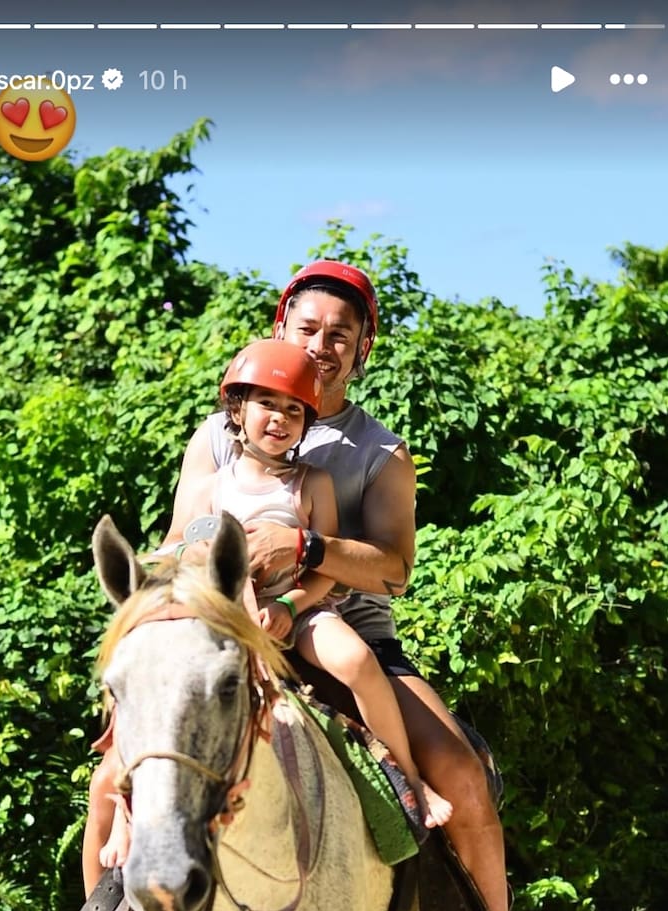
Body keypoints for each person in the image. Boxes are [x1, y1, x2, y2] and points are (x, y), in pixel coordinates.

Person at [34, 260, 552, 911]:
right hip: (224, 630)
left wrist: (305, 549)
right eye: (308, 327)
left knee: (464, 775)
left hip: (339, 628)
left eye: (341, 334)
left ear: (364, 347)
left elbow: (395, 568)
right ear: (282, 328)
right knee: (114, 777)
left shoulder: (378, 451)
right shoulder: (218, 433)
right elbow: (181, 537)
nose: (322, 344)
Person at [98, 339, 451, 871]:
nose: (281, 419)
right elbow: (177, 547)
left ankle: (408, 781)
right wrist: (185, 560)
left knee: (356, 660)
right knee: (151, 693)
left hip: (298, 611)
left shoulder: (313, 484)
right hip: (225, 619)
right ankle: (119, 840)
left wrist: (288, 604)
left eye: (294, 411)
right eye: (267, 404)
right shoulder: (211, 486)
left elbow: (322, 570)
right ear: (237, 410)